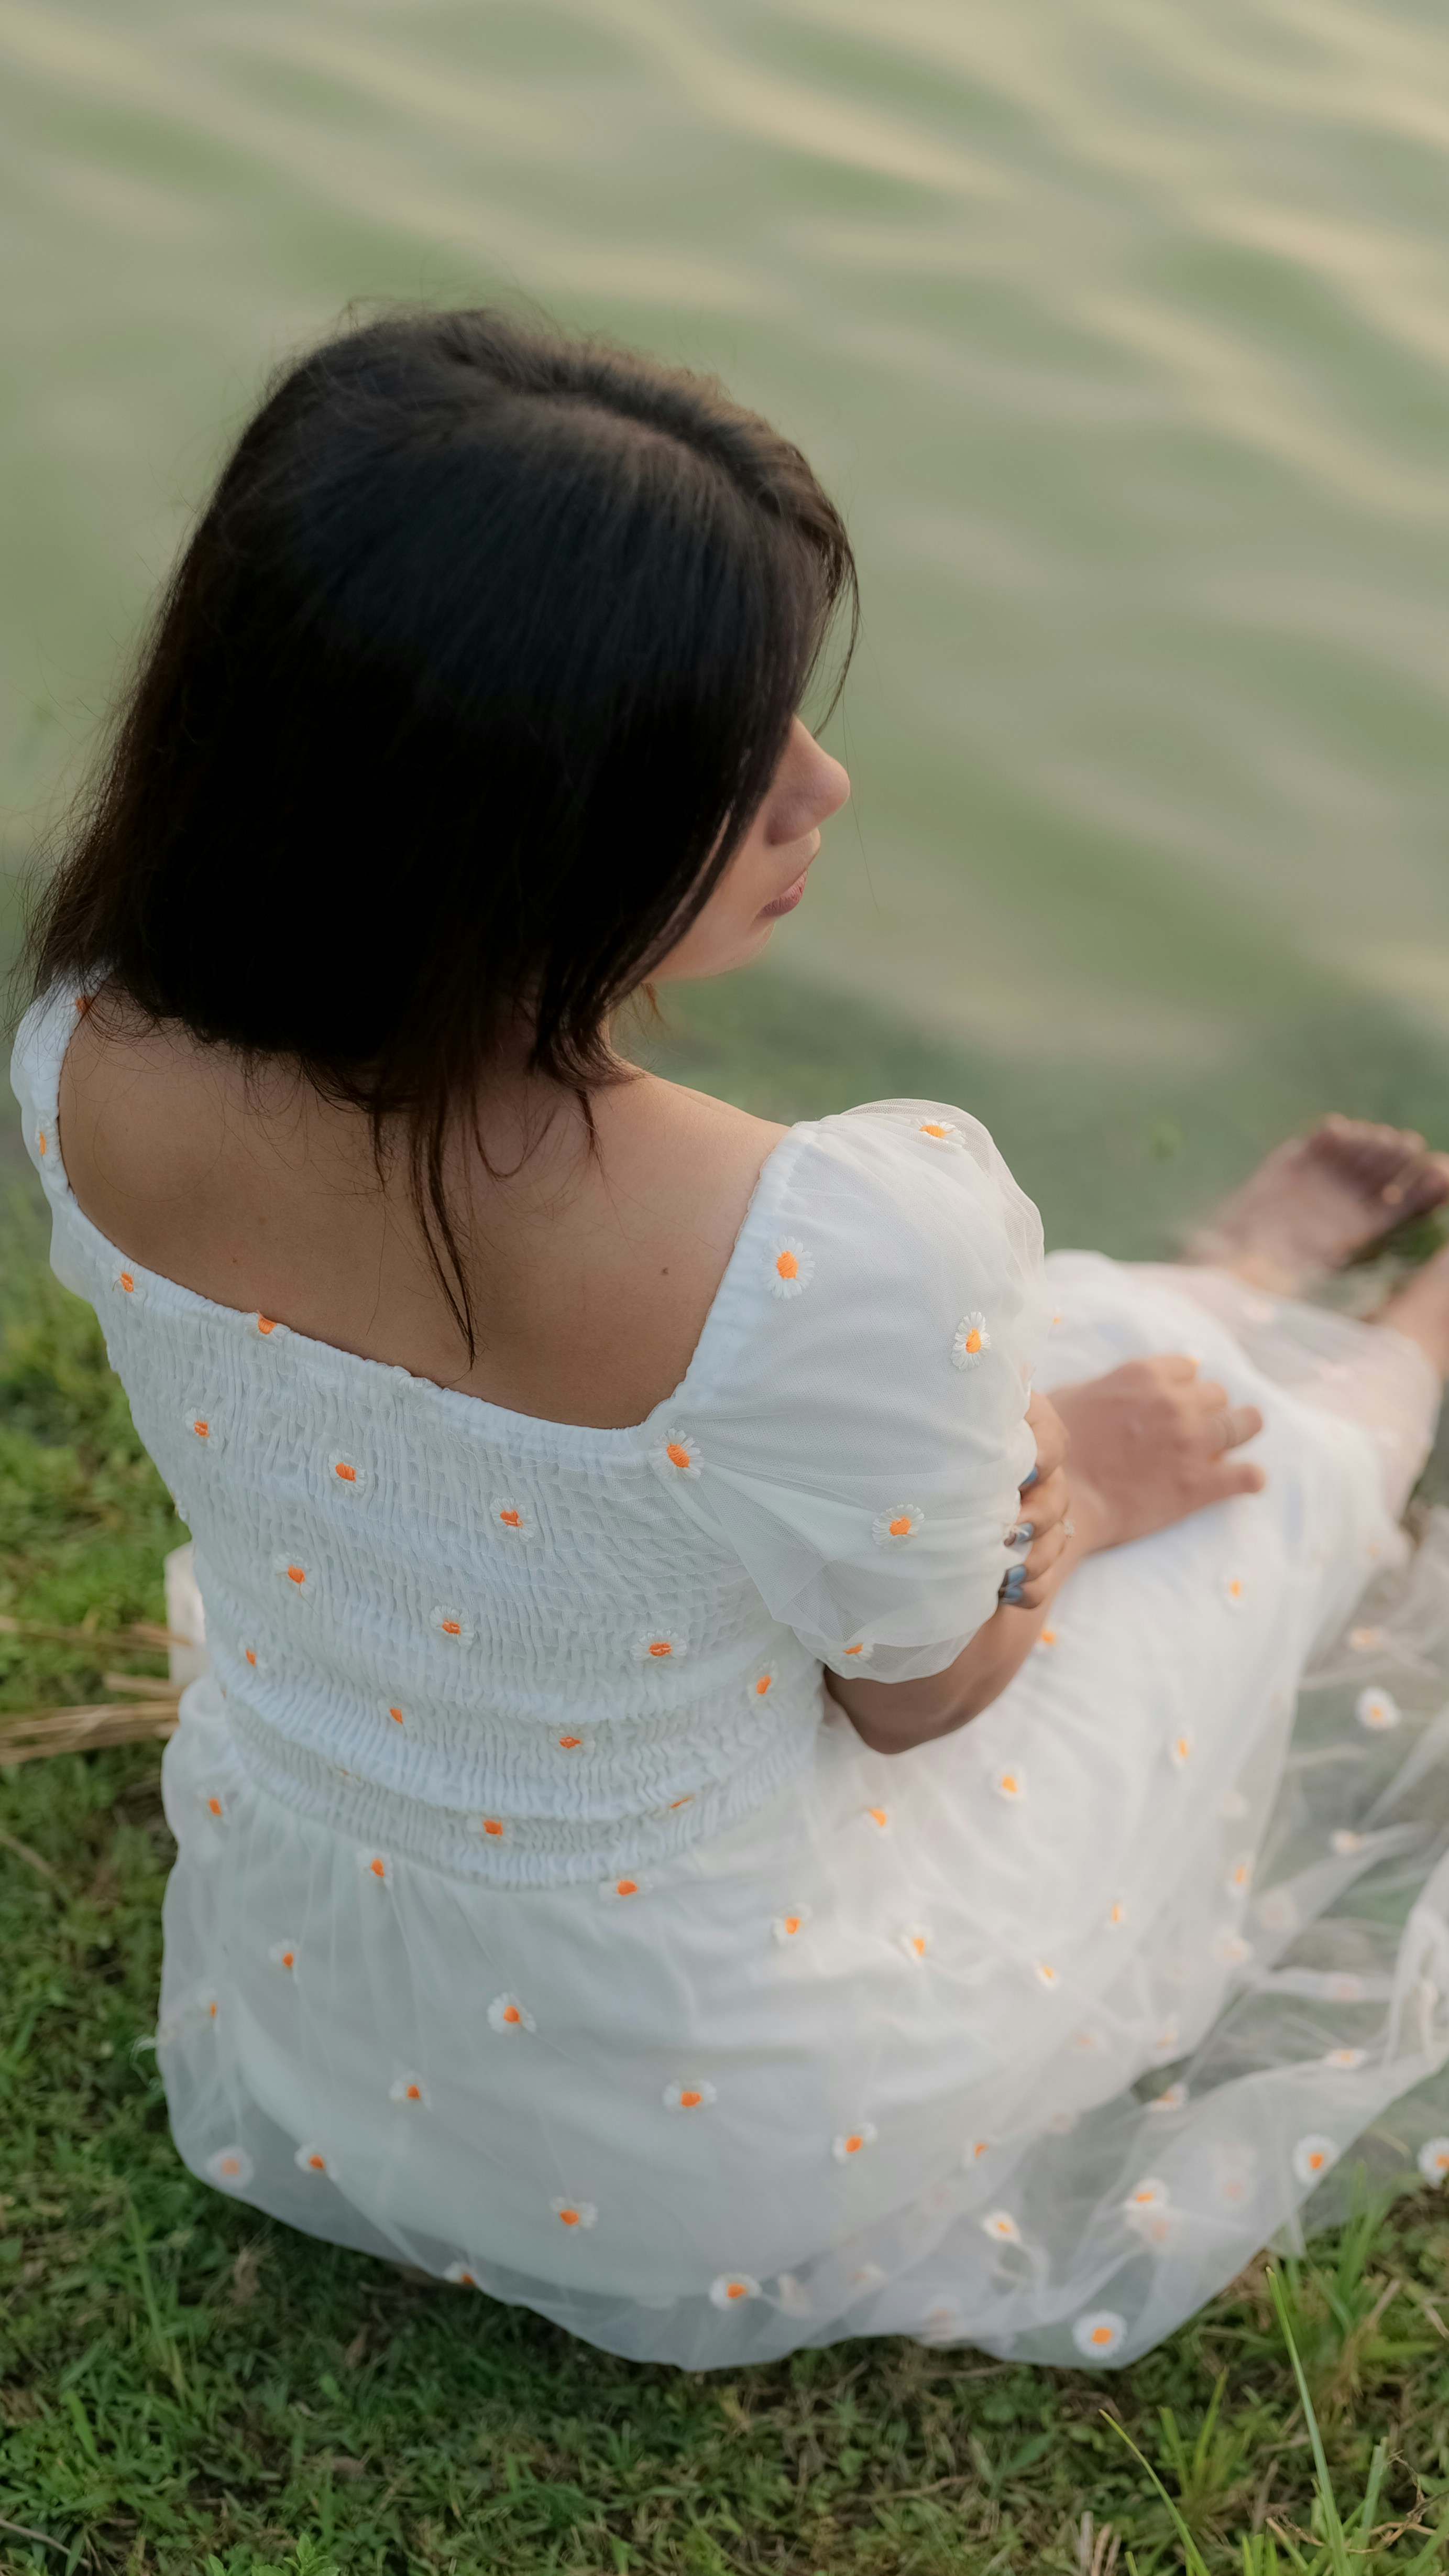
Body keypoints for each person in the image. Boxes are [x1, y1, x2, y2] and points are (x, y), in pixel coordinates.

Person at [13, 309, 1449, 2373]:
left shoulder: (80, 1060)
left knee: (928, 1377)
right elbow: (923, 1691)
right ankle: (1399, 1325)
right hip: (717, 2117)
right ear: (511, 817)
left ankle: (1198, 1287)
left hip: (318, 2007)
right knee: (1216, 1478)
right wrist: (1090, 1478)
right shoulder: (823, 1237)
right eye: (735, 755)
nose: (822, 784)